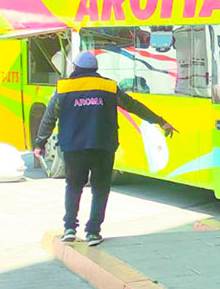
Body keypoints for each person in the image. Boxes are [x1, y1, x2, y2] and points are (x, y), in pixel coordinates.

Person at [33, 51, 175, 246]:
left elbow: (49, 118)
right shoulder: (108, 87)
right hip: (103, 146)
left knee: (74, 187)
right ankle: (93, 232)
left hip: (74, 148)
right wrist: (160, 121)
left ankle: (69, 229)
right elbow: (133, 106)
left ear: (75, 68)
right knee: (100, 189)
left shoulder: (64, 88)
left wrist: (40, 144)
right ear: (95, 69)